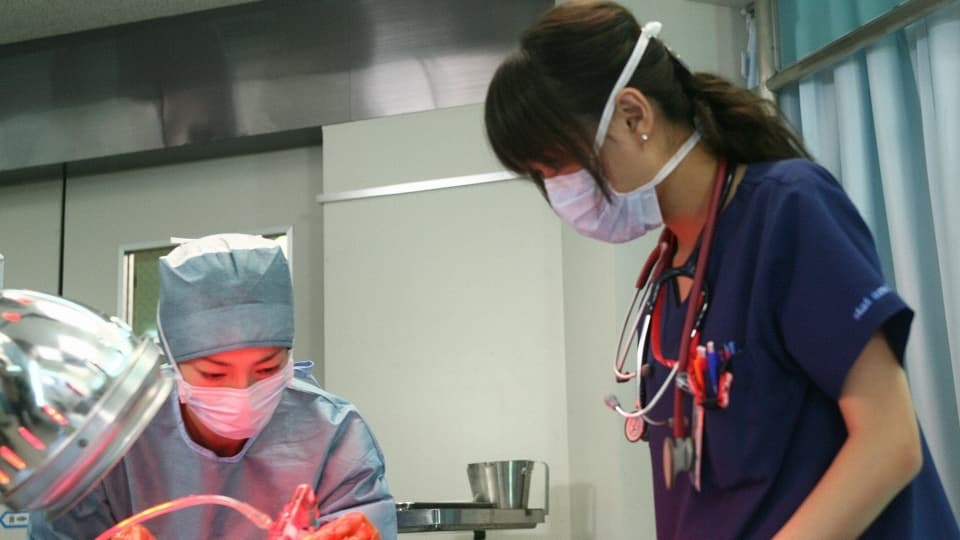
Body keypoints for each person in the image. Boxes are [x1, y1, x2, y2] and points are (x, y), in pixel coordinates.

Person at [484, 1, 959, 538]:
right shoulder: (669, 279)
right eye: (541, 177)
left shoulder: (787, 211)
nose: (559, 192)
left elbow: (890, 443)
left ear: (634, 115)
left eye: (556, 165)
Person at [29, 233, 397, 539]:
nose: (243, 393)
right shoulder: (113, 435)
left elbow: (361, 522)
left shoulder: (333, 435)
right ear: (174, 361)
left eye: (267, 368)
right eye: (214, 375)